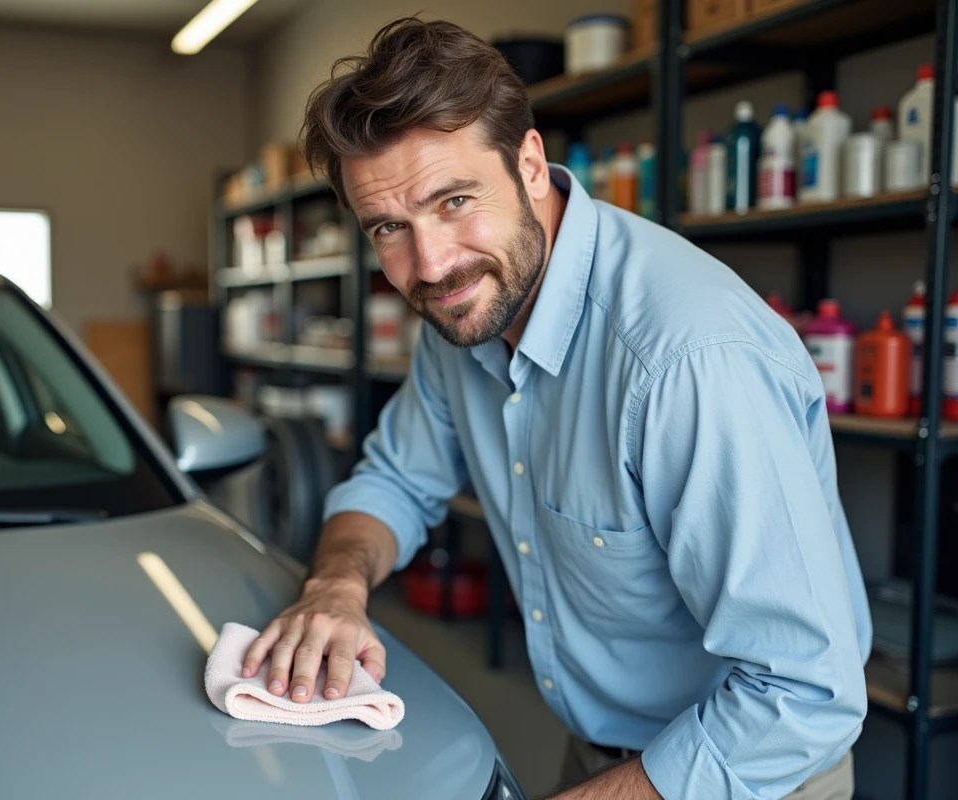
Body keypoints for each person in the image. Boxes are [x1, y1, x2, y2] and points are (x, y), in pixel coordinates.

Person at [240, 16, 871, 800]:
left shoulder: (689, 363)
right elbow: (395, 482)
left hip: (751, 767)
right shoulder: (466, 308)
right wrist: (336, 586)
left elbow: (805, 695)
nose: (430, 264)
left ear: (530, 164)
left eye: (455, 200)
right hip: (605, 751)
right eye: (390, 229)